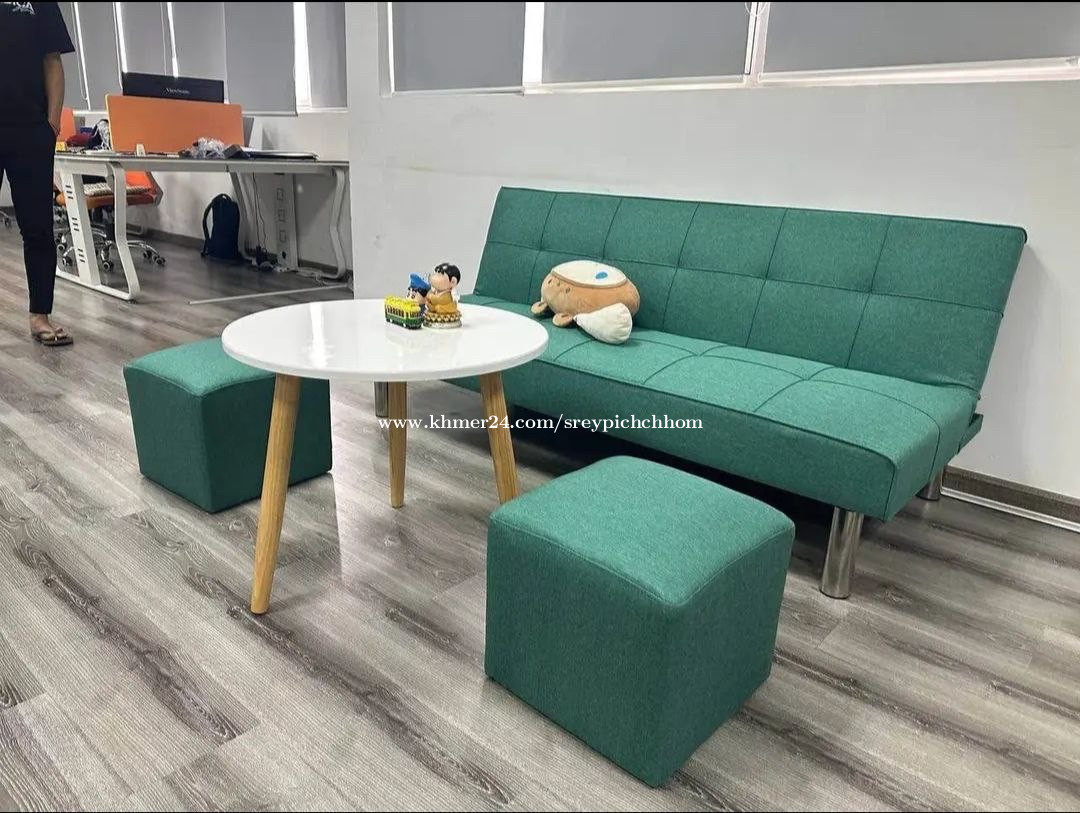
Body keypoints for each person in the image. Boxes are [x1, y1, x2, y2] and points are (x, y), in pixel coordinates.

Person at [0, 1, 75, 346]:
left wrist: (52, 125)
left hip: (31, 130)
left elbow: (52, 59)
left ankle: (40, 316)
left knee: (38, 228)